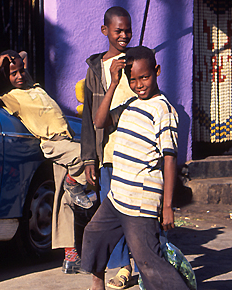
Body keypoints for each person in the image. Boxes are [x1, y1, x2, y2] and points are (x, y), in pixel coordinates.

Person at [81, 46, 188, 290]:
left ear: (157, 72)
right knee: (94, 235)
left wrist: (168, 206)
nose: (139, 84)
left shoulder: (163, 111)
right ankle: (97, 286)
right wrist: (114, 84)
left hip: (140, 204)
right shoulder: (130, 104)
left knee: (149, 263)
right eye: (133, 79)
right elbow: (99, 121)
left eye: (145, 77)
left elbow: (170, 159)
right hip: (117, 197)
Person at [0, 50, 92, 273]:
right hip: (54, 143)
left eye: (22, 70)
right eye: (13, 74)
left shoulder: (35, 88)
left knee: (64, 201)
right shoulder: (12, 98)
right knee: (88, 156)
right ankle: (74, 182)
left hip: (66, 140)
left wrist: (14, 57)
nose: (19, 76)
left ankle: (70, 257)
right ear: (7, 78)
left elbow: (23, 55)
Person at [81, 6, 136, 289]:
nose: (124, 35)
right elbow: (91, 118)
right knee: (108, 212)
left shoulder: (137, 62)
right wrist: (89, 157)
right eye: (118, 31)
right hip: (108, 154)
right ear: (105, 31)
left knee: (133, 212)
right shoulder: (96, 69)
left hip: (135, 155)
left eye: (128, 30)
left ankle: (128, 267)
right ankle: (112, 268)